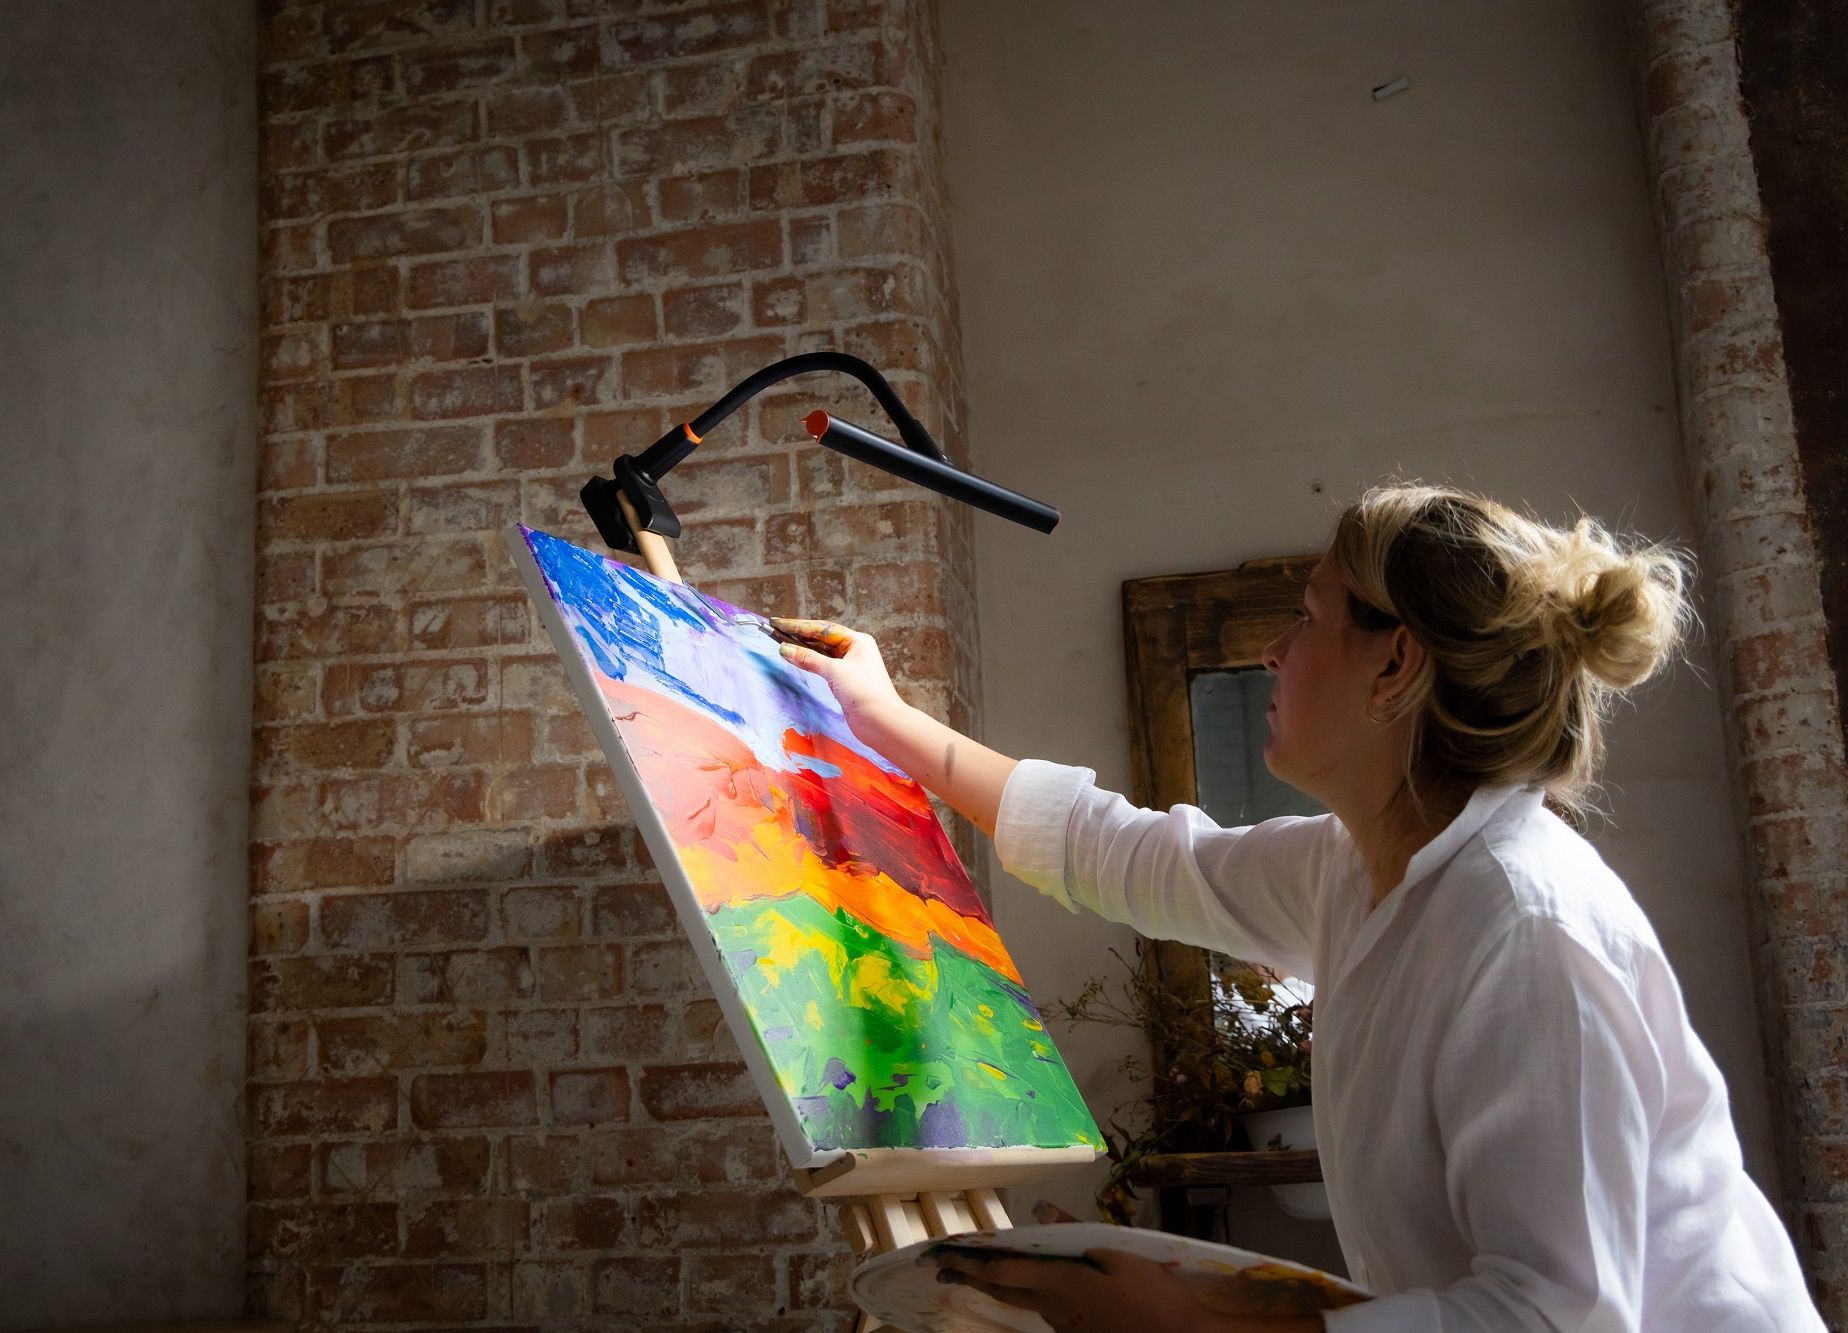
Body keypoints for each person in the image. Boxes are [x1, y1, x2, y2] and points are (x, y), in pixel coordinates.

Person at [772, 483, 1824, 1332]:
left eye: (1309, 617)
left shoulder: (1524, 926)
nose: (1276, 649)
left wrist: (1193, 1324)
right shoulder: (1355, 867)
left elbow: (1556, 1317)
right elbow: (1122, 853)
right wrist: (881, 717)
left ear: (1394, 662)